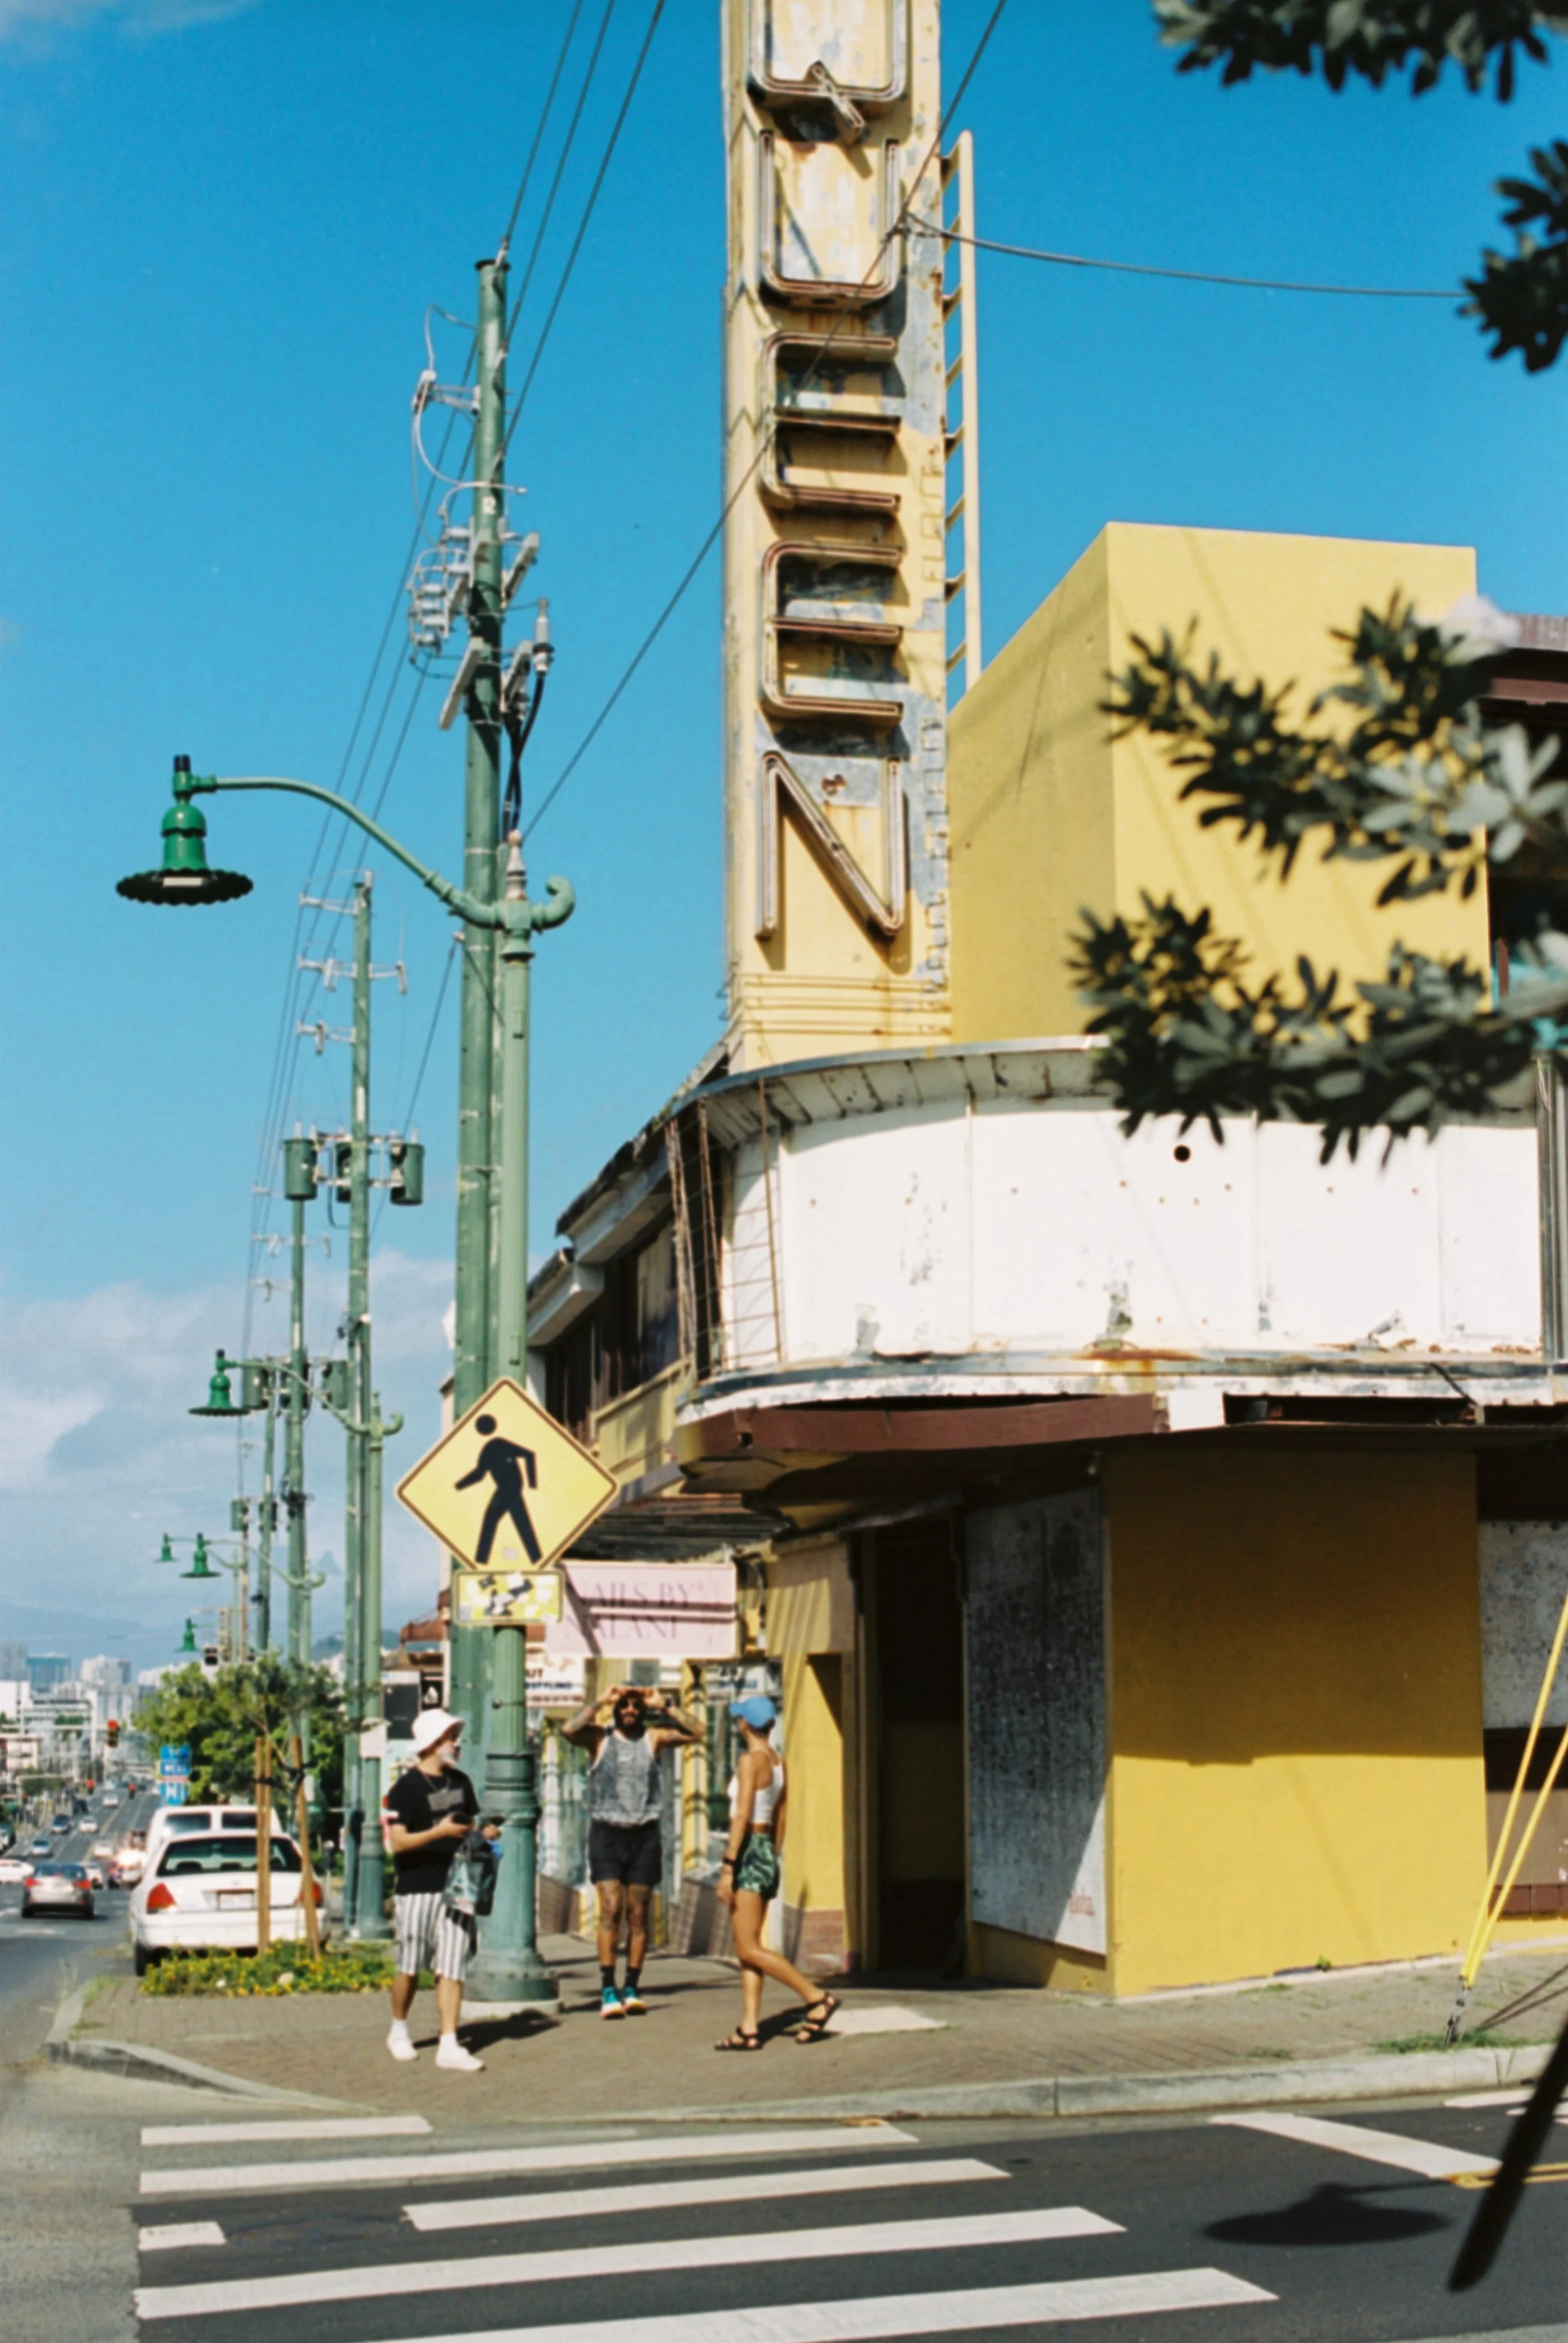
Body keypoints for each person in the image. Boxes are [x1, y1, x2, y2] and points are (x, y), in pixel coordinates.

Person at [563, 1681, 701, 2016]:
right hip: (607, 1833)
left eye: (636, 1706)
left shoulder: (653, 1738)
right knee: (611, 1907)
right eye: (624, 1705)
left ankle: (633, 1987)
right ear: (615, 1707)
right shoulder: (600, 1738)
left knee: (638, 1914)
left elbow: (697, 1732)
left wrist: (665, 1706)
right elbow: (568, 1730)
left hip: (644, 1834)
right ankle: (608, 1987)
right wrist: (599, 1700)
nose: (629, 1711)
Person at [714, 1693, 839, 2051]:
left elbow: (741, 1815)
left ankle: (816, 1998)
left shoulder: (750, 1760)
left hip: (749, 1850)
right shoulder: (778, 1761)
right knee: (748, 1947)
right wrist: (772, 1853)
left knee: (749, 1947)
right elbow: (782, 1814)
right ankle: (749, 2028)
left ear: (744, 1725)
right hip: (767, 1849)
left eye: (739, 1719)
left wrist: (728, 1866)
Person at [383, 1708, 497, 2072]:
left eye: (456, 1736)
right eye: (450, 1737)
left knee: (453, 1965)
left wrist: (484, 1834)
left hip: (458, 1886)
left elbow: (472, 1826)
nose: (456, 1744)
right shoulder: (405, 1789)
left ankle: (449, 2042)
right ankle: (399, 2027)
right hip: (417, 1887)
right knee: (411, 1963)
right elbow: (398, 1843)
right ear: (432, 1743)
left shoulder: (461, 1782)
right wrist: (437, 1832)